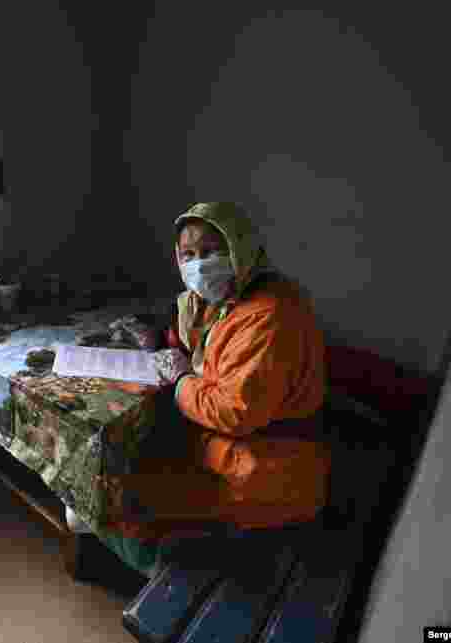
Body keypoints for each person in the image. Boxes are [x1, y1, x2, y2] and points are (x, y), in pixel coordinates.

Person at [93, 201, 330, 577]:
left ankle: (170, 573)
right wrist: (159, 337)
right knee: (126, 471)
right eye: (187, 254)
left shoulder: (268, 315)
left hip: (269, 471)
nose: (198, 265)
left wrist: (182, 380)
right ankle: (170, 550)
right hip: (240, 448)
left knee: (118, 497)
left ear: (239, 248)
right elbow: (204, 344)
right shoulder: (232, 297)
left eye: (211, 252)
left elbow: (233, 411)